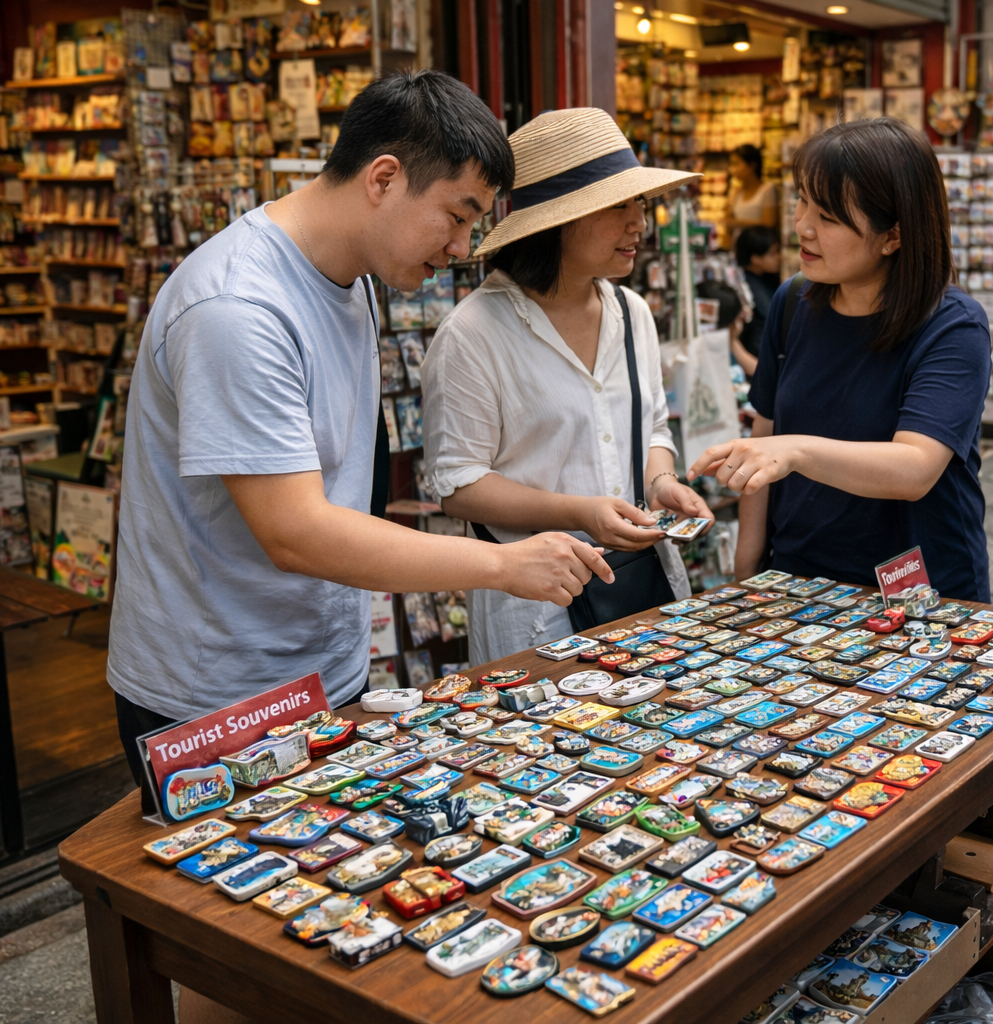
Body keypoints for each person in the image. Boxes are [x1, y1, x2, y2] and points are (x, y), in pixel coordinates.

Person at [108, 71, 610, 1024]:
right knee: (228, 949)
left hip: (313, 674)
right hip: (211, 693)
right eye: (457, 217)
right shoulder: (238, 307)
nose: (466, 248)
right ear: (383, 179)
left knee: (313, 926)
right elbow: (296, 529)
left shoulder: (350, 283)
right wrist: (503, 562)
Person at [421, 108, 713, 662]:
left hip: (643, 595)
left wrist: (662, 482)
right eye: (618, 206)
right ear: (558, 221)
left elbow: (651, 424)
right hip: (537, 610)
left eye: (640, 203)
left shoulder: (632, 312)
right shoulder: (474, 333)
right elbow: (459, 484)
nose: (638, 223)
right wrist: (580, 512)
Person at [688, 118, 991, 600]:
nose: (803, 225)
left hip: (921, 598)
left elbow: (914, 467)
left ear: (892, 235)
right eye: (802, 200)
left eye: (828, 217)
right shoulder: (792, 303)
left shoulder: (952, 325)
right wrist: (745, 576)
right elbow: (763, 439)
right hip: (796, 582)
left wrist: (796, 452)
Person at [733, 224, 782, 376]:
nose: (779, 257)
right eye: (773, 253)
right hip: (756, 363)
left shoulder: (766, 279)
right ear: (755, 258)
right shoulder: (749, 288)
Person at [721, 143, 778, 247]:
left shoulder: (767, 189)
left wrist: (736, 223)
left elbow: (769, 223)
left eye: (736, 164)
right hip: (738, 249)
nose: (732, 169)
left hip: (759, 250)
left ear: (752, 165)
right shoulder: (736, 191)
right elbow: (728, 223)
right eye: (732, 164)